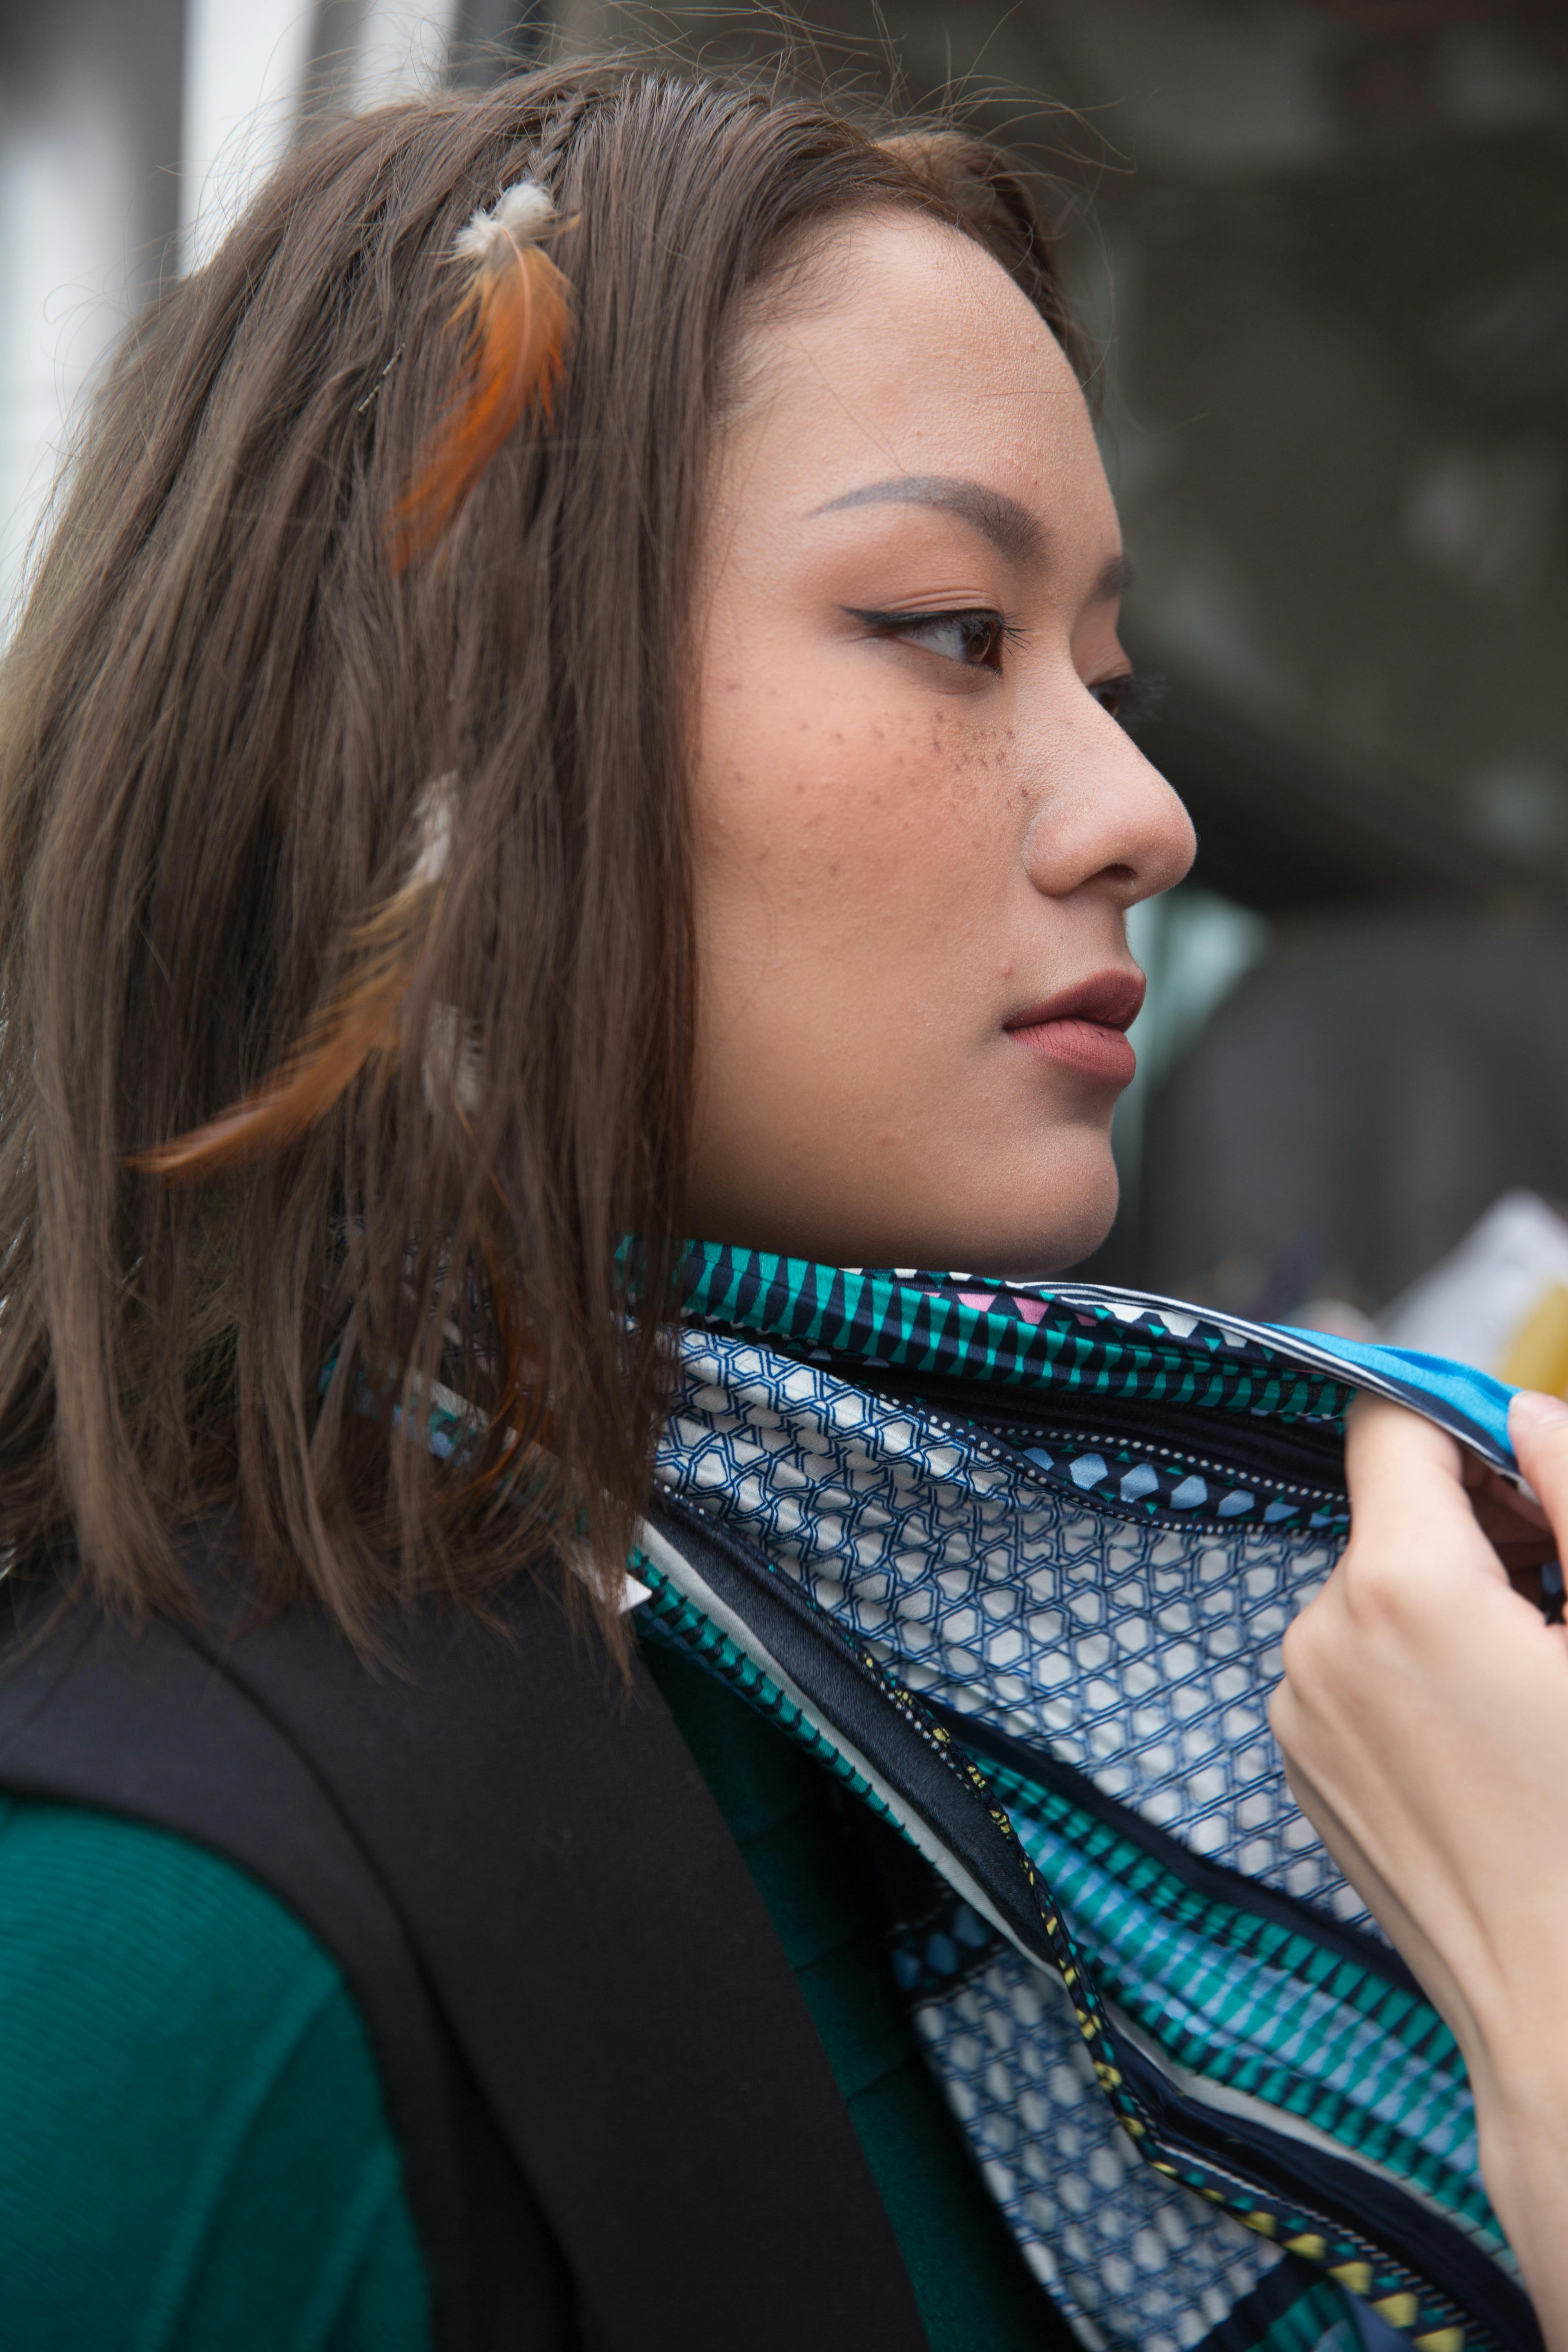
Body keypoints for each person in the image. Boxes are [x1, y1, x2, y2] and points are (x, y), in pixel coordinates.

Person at [0, 50, 1557, 2352]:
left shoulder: (1018, 1751)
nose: (1144, 809)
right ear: (441, 715)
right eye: (954, 628)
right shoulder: (156, 1952)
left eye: (1112, 676)